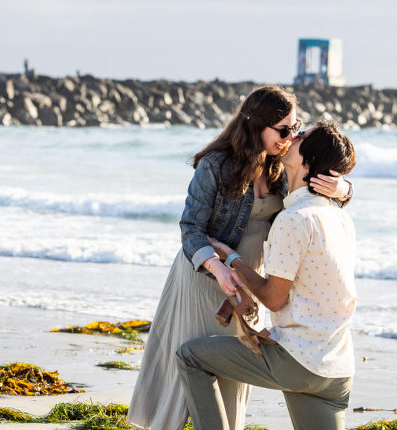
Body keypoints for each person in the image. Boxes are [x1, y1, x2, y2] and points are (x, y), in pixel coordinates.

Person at [127, 87, 352, 430]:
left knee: (231, 379)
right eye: (283, 130)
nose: (290, 137)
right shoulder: (216, 165)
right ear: (256, 126)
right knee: (188, 367)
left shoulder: (281, 166)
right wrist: (220, 268)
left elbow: (317, 186)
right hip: (204, 278)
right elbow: (191, 229)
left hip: (253, 283)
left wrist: (344, 189)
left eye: (296, 128)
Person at [176, 119, 358, 430]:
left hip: (298, 361)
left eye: (300, 136)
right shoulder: (341, 218)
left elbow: (274, 299)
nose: (292, 137)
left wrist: (231, 258)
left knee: (190, 356)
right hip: (337, 369)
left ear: (308, 161)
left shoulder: (293, 219)